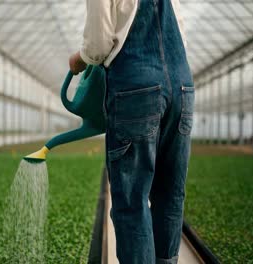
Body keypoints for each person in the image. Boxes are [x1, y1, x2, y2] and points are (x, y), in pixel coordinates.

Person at [69, 0, 194, 263]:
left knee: (132, 200)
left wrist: (79, 59)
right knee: (170, 192)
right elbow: (180, 31)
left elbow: (98, 44)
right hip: (182, 88)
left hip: (136, 87)